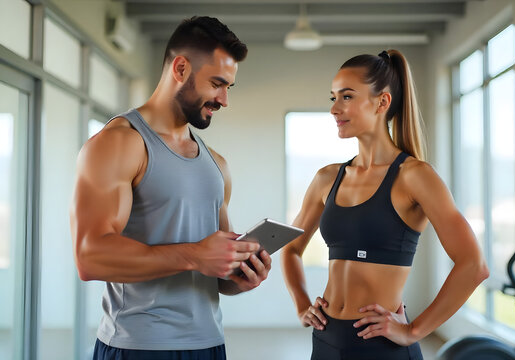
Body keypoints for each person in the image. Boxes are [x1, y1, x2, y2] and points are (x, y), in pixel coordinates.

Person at [70, 16, 272, 360]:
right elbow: (89, 257)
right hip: (139, 346)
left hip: (209, 344)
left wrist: (240, 276)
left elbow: (214, 271)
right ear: (180, 68)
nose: (224, 100)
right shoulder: (119, 143)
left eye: (229, 88)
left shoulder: (217, 165)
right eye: (217, 84)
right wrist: (194, 254)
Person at [281, 49, 489, 360]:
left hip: (380, 347)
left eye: (347, 97)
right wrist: (301, 305)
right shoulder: (327, 178)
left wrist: (413, 330)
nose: (334, 109)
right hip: (325, 341)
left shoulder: (415, 177)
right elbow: (291, 247)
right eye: (333, 98)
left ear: (382, 102)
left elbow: (474, 265)